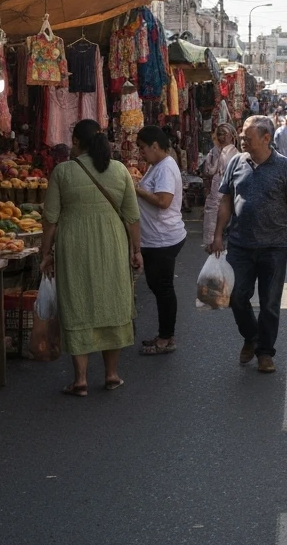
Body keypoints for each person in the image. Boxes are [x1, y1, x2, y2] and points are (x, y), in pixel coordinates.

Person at [41, 119, 142, 396]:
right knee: (113, 299)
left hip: (73, 246)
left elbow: (50, 219)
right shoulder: (120, 170)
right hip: (112, 244)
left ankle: (81, 380)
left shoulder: (62, 172)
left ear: (75, 142)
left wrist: (45, 253)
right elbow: (132, 216)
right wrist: (136, 250)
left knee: (78, 302)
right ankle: (111, 374)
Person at [210, 116, 287, 374]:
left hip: (273, 247)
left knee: (270, 303)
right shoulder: (235, 163)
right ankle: (251, 336)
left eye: (246, 136)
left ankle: (265, 352)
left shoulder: (285, 167)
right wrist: (218, 234)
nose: (241, 139)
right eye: (241, 135)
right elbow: (226, 201)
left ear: (266, 138)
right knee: (236, 297)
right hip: (240, 245)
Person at [134, 126, 188, 356]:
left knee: (162, 287)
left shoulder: (165, 168)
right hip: (157, 237)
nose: (141, 153)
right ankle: (165, 334)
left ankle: (167, 338)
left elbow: (164, 201)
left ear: (155, 146)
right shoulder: (159, 165)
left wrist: (136, 189)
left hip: (163, 238)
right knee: (158, 286)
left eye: (143, 148)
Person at [202, 122, 239, 249]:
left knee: (227, 214)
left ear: (232, 135)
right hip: (214, 187)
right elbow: (207, 171)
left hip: (228, 188)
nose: (222, 137)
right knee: (212, 214)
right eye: (219, 134)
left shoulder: (236, 154)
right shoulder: (213, 151)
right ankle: (210, 242)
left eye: (225, 134)